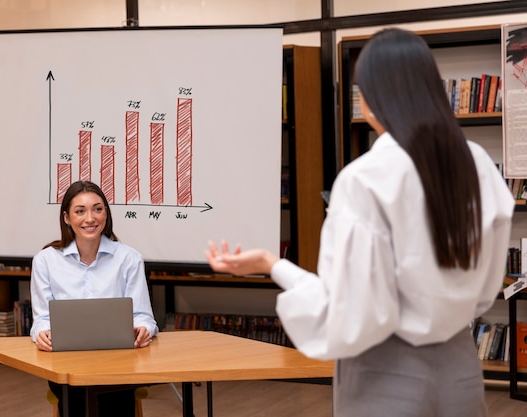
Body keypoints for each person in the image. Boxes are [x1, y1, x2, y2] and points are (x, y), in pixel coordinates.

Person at [206, 28, 514, 417]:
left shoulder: (366, 177)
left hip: (386, 374)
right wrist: (272, 264)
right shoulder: (477, 163)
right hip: (461, 368)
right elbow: (485, 290)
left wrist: (273, 266)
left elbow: (350, 312)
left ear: (370, 99)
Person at [30, 180, 158, 417]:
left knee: (112, 391)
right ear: (67, 218)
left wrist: (143, 329)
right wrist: (42, 333)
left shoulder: (129, 259)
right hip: (67, 364)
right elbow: (41, 319)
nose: (90, 218)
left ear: (106, 214)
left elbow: (143, 316)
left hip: (118, 364)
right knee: (77, 389)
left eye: (98, 209)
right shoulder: (45, 261)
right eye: (80, 211)